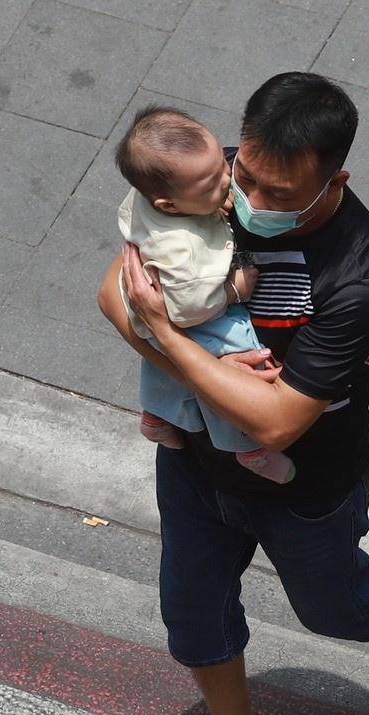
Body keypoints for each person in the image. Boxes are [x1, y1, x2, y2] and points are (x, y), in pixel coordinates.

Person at [98, 71, 369, 715]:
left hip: (305, 485)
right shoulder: (209, 179)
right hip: (193, 462)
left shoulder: (358, 275)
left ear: (334, 179)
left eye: (279, 196)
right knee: (191, 609)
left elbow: (274, 423)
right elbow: (116, 292)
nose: (252, 206)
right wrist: (199, 367)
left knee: (338, 611)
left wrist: (170, 340)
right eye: (248, 180)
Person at [114, 105, 291, 483]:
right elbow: (191, 308)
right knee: (236, 353)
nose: (227, 182)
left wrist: (208, 201)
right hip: (186, 307)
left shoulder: (151, 197)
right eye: (211, 186)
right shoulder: (185, 253)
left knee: (161, 358)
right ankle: (248, 447)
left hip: (141, 301)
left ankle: (156, 415)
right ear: (171, 205)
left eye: (222, 171)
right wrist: (232, 290)